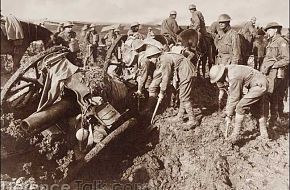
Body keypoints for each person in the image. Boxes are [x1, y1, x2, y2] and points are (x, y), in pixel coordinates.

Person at [209, 64, 269, 143]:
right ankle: (264, 135)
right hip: (259, 83)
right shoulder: (229, 70)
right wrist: (228, 111)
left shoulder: (234, 76)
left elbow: (235, 97)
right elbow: (232, 94)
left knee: (240, 107)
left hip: (259, 85)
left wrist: (229, 115)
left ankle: (235, 135)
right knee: (258, 109)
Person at [143, 46, 197, 128]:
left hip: (186, 71)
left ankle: (192, 120)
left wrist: (161, 92)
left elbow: (166, 77)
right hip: (183, 71)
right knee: (182, 95)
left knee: (184, 97)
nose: (150, 61)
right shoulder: (163, 57)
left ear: (155, 55)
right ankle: (180, 116)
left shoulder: (165, 60)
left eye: (150, 58)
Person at [260, 22, 289, 126]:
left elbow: (287, 59)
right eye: (267, 30)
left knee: (271, 94)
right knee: (271, 95)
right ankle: (273, 118)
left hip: (276, 73)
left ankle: (273, 119)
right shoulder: (271, 41)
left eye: (269, 30)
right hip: (268, 72)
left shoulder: (281, 41)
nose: (267, 32)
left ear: (275, 30)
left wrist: (274, 65)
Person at [214, 14, 242, 111]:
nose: (221, 24)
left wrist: (234, 66)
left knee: (230, 85)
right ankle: (221, 102)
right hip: (221, 61)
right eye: (220, 23)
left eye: (223, 22)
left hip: (229, 62)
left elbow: (236, 52)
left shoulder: (233, 34)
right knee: (220, 83)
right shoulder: (221, 34)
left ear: (228, 22)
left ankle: (231, 107)